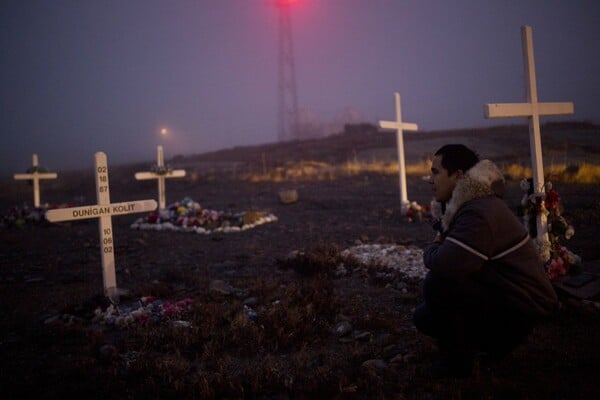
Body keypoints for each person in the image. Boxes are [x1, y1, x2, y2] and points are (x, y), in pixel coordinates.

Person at [413, 144, 558, 378]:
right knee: (424, 316)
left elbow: (444, 264)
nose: (430, 179)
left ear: (458, 176)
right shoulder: (470, 204)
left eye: (436, 172)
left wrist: (435, 242)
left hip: (522, 306)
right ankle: (476, 349)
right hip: (507, 294)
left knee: (437, 284)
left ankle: (459, 365)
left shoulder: (478, 213)